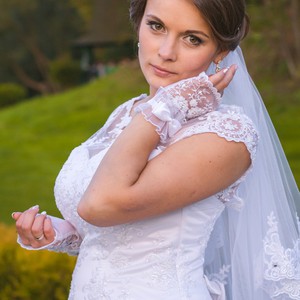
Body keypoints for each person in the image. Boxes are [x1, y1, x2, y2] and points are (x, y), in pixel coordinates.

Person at [12, 0, 300, 299]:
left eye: (192, 39)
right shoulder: (129, 113)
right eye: (156, 26)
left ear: (220, 53)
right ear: (139, 24)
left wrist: (169, 105)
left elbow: (99, 205)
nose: (165, 52)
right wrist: (62, 234)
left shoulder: (226, 136)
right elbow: (114, 236)